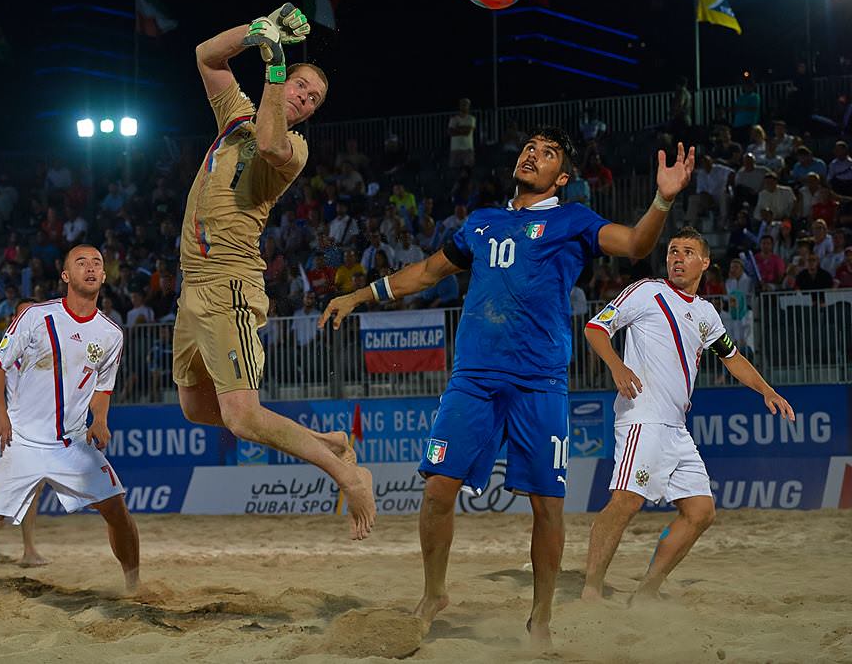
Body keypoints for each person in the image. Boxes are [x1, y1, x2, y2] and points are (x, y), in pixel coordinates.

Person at [319, 127, 695, 644]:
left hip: (538, 383)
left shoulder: (572, 220)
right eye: (528, 148)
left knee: (546, 505)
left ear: (561, 177)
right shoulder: (482, 222)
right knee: (436, 492)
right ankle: (434, 593)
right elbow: (427, 272)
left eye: (546, 154)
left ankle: (540, 618)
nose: (530, 155)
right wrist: (358, 294)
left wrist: (661, 199)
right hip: (472, 378)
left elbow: (634, 244)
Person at [173, 3, 375, 541]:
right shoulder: (236, 115)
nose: (304, 98)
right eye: (301, 87)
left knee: (240, 416)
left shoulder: (293, 148)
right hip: (193, 284)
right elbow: (206, 57)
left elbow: (267, 141)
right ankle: (328, 441)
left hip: (230, 282)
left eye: (312, 99)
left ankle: (346, 474)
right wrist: (257, 29)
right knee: (196, 408)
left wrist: (276, 66)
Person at [579, 227, 794, 602]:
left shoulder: (707, 313)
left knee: (700, 512)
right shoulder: (647, 291)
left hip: (676, 429)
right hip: (642, 417)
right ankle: (590, 591)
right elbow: (595, 327)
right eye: (673, 251)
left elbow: (732, 357)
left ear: (705, 262)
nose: (677, 257)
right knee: (626, 501)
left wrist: (767, 389)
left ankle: (646, 591)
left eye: (687, 252)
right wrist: (616, 365)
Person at [0, 245, 137, 608]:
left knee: (118, 512)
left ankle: (133, 586)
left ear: (104, 276)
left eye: (97, 263)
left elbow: (103, 387)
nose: (90, 267)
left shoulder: (111, 334)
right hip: (20, 441)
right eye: (81, 262)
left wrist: (99, 420)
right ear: (65, 275)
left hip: (71, 444)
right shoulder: (36, 316)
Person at [0, 298, 46, 566]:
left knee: (33, 490)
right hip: (13, 430)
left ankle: (29, 550)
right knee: (3, 500)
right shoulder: (5, 351)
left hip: (40, 430)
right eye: (23, 314)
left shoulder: (46, 347)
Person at [448, 98, 476, 169]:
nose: (464, 106)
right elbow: (450, 132)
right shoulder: (453, 119)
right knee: (455, 170)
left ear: (468, 106)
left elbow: (467, 132)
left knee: (468, 170)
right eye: (462, 104)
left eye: (465, 104)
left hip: (468, 148)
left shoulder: (471, 118)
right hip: (455, 148)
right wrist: (463, 129)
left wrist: (457, 128)